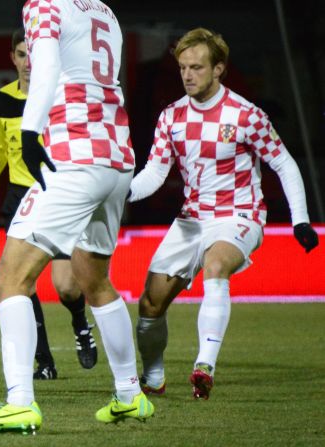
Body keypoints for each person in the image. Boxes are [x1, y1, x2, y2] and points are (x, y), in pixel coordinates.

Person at [0, 0, 154, 434]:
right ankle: (129, 395)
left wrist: (29, 132)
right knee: (93, 278)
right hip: (117, 158)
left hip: (74, 162)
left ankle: (20, 403)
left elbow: (45, 69)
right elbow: (80, 84)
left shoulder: (43, 6)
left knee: (9, 278)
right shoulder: (104, 12)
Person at [129, 28, 319, 400]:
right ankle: (153, 378)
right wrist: (117, 193)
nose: (187, 75)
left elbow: (284, 163)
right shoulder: (171, 117)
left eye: (196, 67)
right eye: (183, 67)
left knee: (216, 266)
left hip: (239, 215)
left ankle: (204, 367)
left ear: (219, 69)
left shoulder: (247, 115)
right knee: (150, 304)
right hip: (191, 219)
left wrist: (300, 219)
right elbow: (154, 174)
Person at [0, 28, 97, 379]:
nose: (29, 62)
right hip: (20, 197)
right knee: (18, 281)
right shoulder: (2, 101)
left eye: (35, 54)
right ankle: (44, 363)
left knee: (66, 286)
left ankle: (79, 322)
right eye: (22, 54)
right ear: (12, 58)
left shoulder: (60, 95)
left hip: (58, 195)